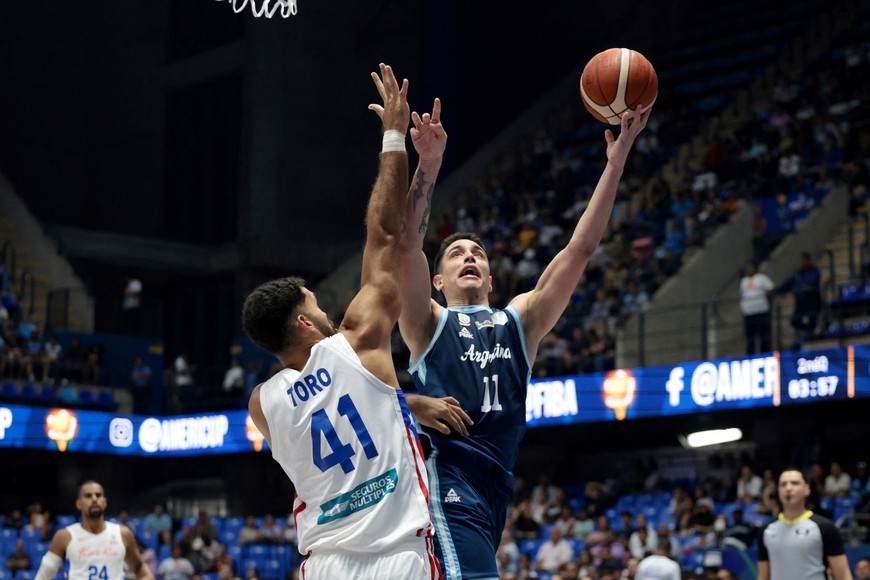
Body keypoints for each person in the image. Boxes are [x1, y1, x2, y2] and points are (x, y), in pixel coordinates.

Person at [396, 96, 650, 578]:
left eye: (478, 254)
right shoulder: (427, 322)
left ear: (491, 279)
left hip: (496, 486)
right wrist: (428, 164)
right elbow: (407, 245)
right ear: (438, 281)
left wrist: (617, 162)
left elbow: (580, 249)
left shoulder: (521, 319)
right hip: (447, 479)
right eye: (456, 255)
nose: (469, 257)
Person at [242, 64, 464, 579]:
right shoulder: (358, 341)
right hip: (395, 557)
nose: (327, 311)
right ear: (302, 323)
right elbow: (384, 237)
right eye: (316, 305)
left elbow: (337, 411)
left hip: (323, 564)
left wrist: (404, 405)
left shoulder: (264, 405)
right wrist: (394, 135)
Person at [34, 480, 154, 580]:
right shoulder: (65, 536)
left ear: (105, 502)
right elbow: (43, 576)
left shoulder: (123, 534)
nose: (94, 499)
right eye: (88, 496)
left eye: (98, 495)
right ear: (79, 503)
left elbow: (143, 572)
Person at [757, 468, 852, 580]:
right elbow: (763, 576)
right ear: (778, 491)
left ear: (807, 489)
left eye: (795, 483)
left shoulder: (825, 528)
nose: (788, 488)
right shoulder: (767, 530)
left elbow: (843, 575)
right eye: (783, 484)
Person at [776, 252, 821, 349]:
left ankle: (811, 333)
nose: (802, 263)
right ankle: (807, 331)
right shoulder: (797, 274)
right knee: (794, 320)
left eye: (804, 261)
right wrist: (777, 291)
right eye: (801, 261)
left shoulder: (814, 271)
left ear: (809, 261)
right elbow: (787, 284)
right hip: (800, 302)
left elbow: (812, 283)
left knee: (812, 317)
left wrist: (803, 288)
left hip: (812, 301)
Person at [739, 261, 774, 354]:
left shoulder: (762, 278)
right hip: (749, 314)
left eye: (750, 267)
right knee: (750, 338)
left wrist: (769, 303)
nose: (748, 269)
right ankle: (750, 355)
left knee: (764, 336)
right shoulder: (743, 281)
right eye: (747, 267)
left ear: (755, 268)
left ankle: (765, 353)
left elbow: (771, 290)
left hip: (761, 311)